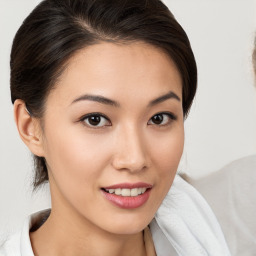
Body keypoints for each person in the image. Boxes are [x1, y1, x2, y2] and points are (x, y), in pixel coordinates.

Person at [0, 0, 231, 255]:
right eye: (95, 119)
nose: (135, 159)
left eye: (158, 118)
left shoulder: (189, 215)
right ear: (30, 127)